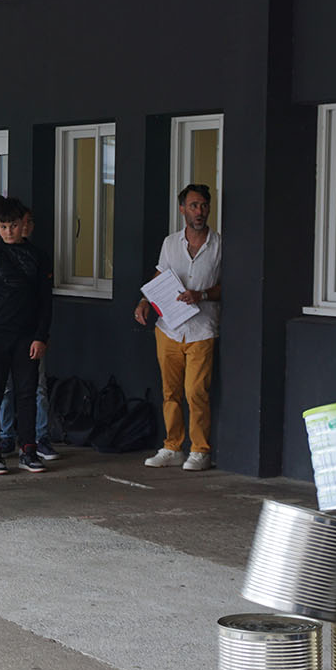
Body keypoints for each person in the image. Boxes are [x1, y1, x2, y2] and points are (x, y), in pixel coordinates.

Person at [135, 183, 222, 471]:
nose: (200, 211)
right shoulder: (171, 243)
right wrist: (145, 300)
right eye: (194, 206)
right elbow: (161, 274)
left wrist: (202, 295)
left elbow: (229, 285)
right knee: (170, 391)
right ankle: (172, 446)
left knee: (196, 391)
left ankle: (200, 450)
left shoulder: (219, 245)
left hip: (201, 328)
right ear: (182, 209)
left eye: (204, 206)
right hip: (169, 327)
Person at [0, 197, 52, 475]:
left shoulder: (38, 256)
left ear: (23, 224)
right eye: (3, 226)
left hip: (27, 337)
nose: (9, 232)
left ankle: (28, 450)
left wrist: (41, 336)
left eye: (14, 226)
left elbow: (45, 301)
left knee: (27, 393)